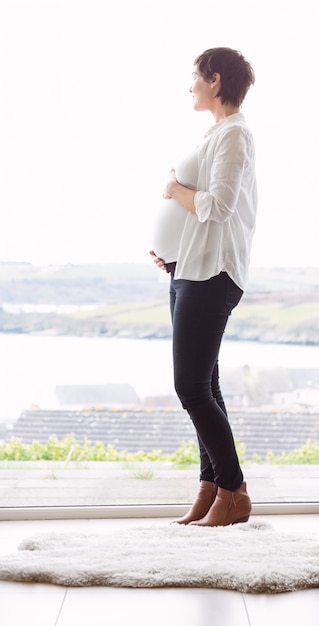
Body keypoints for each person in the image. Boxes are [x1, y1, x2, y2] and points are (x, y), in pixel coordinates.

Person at [150, 47, 257, 527]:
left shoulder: (234, 135)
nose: (189, 85)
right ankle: (211, 486)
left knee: (190, 386)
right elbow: (204, 219)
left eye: (194, 77)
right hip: (190, 268)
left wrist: (175, 192)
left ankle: (234, 490)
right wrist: (173, 251)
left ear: (215, 80)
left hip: (212, 274)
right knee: (205, 384)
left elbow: (219, 207)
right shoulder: (217, 133)